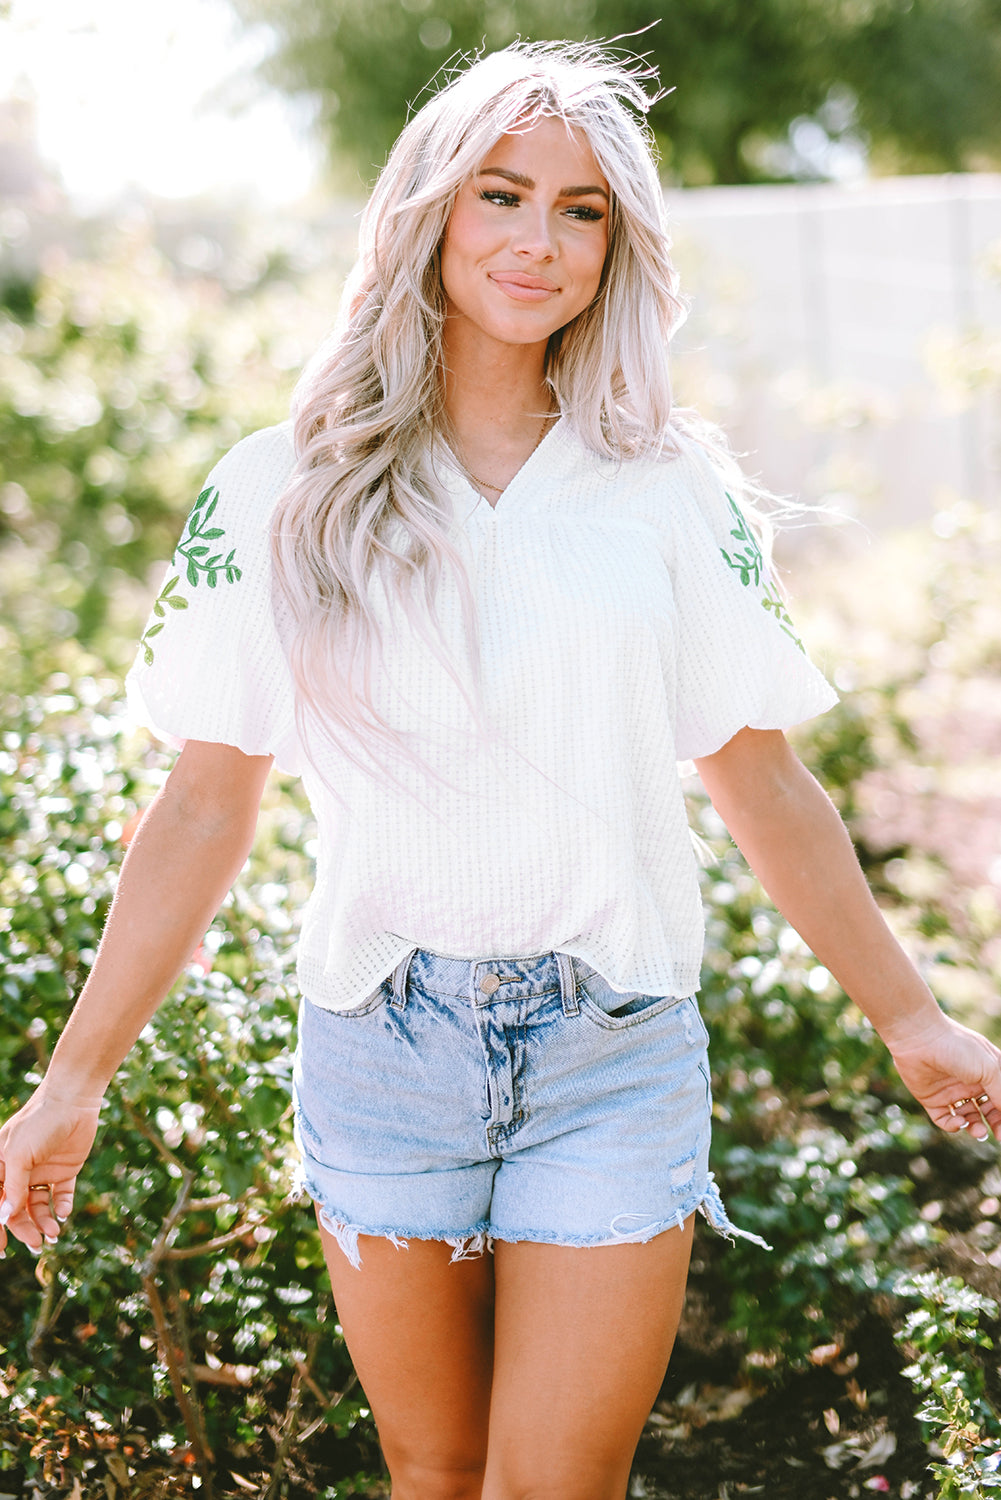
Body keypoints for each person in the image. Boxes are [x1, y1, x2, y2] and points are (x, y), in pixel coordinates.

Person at [1, 39, 999, 1500]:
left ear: (618, 243)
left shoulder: (665, 486)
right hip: (379, 1041)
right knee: (437, 1475)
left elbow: (759, 777)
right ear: (429, 212)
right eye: (503, 195)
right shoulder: (282, 485)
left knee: (550, 1489)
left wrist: (912, 1018)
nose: (540, 241)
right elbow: (208, 800)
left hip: (611, 1048)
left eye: (583, 209)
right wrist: (70, 1083)